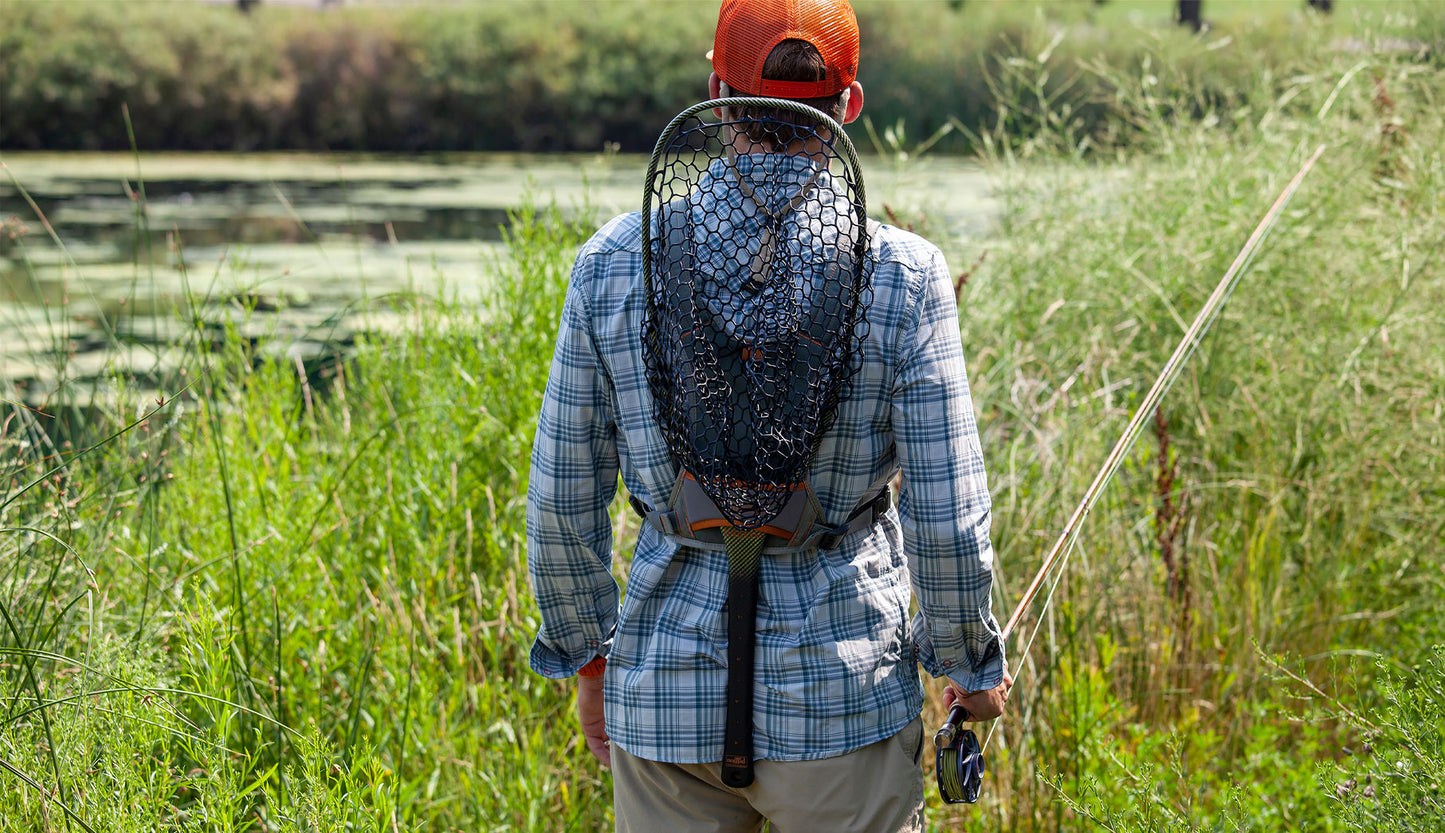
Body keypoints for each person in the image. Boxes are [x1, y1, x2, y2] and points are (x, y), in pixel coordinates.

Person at [526, 0, 1011, 829]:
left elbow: (561, 497)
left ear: (716, 91)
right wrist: (968, 659)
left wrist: (590, 661)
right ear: (848, 104)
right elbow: (948, 514)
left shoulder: (610, 260)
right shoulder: (905, 274)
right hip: (843, 700)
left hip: (663, 699)